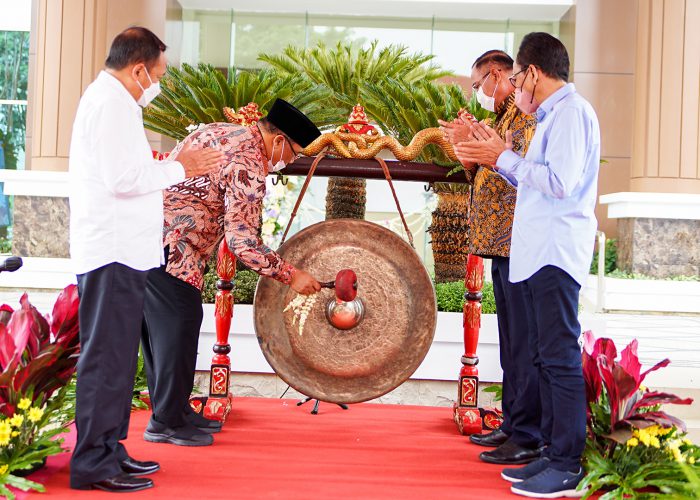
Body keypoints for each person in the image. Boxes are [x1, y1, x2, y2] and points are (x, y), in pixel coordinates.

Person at [69, 27, 224, 492]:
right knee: (107, 360)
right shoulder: (111, 104)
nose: (156, 83)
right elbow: (123, 178)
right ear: (138, 69)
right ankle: (93, 462)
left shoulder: (116, 102)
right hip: (111, 251)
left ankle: (110, 450)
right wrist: (183, 167)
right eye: (156, 74)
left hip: (125, 252)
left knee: (117, 361)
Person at [455, 32, 600, 498]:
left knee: (558, 360)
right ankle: (549, 455)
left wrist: (503, 158)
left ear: (532, 74)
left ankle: (565, 462)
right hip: (539, 253)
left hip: (557, 252)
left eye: (516, 77)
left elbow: (560, 183)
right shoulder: (554, 116)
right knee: (544, 356)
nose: (516, 87)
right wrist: (502, 158)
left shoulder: (572, 115)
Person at [140, 98, 322, 447]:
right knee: (177, 330)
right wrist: (291, 275)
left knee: (162, 337)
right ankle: (165, 423)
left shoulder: (218, 131)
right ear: (280, 140)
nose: (291, 161)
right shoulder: (250, 163)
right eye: (295, 153)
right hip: (175, 251)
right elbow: (242, 243)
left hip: (146, 239)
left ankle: (174, 412)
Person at [441, 50, 542, 466]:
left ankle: (528, 434)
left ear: (498, 75)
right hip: (497, 244)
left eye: (479, 83)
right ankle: (513, 423)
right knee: (509, 343)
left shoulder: (526, 119)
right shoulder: (500, 120)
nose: (478, 92)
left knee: (523, 343)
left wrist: (487, 151)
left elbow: (526, 175)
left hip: (519, 242)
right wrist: (467, 148)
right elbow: (486, 171)